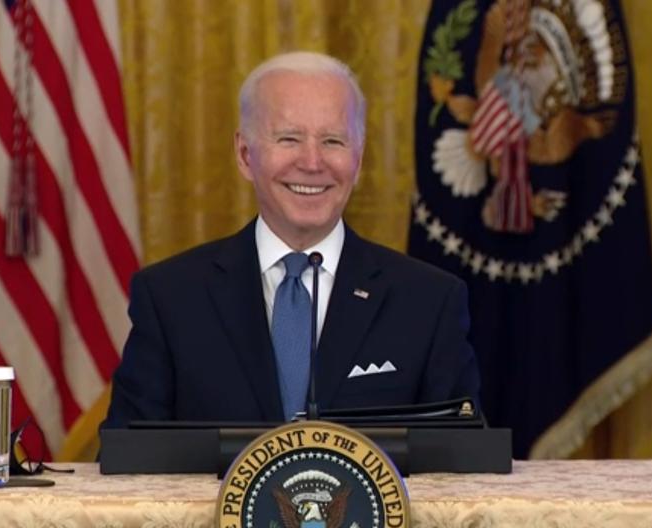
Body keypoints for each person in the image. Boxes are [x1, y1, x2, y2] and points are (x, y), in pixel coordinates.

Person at [102, 51, 480, 428]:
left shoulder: (429, 302)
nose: (312, 163)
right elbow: (129, 455)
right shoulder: (170, 298)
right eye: (289, 138)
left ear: (358, 159)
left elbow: (462, 455)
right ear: (245, 155)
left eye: (332, 141)